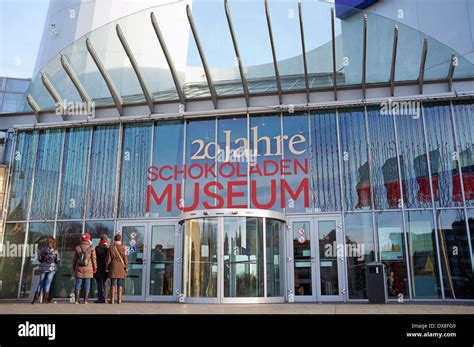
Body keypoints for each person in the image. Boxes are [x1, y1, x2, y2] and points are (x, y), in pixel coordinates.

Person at [32, 237, 60, 304]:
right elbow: (58, 261)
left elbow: (40, 259)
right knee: (48, 284)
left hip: (44, 267)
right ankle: (45, 300)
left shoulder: (43, 250)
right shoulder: (55, 251)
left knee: (40, 283)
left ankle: (35, 299)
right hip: (52, 268)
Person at [72, 232, 97, 304]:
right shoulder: (91, 247)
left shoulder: (77, 247)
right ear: (88, 239)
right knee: (87, 283)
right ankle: (85, 300)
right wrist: (95, 268)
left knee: (78, 283)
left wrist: (74, 268)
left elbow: (74, 259)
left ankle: (77, 300)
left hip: (79, 268)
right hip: (88, 268)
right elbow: (94, 258)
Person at [106, 233, 128, 304]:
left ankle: (112, 300)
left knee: (113, 283)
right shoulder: (123, 248)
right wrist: (126, 266)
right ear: (120, 240)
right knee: (120, 283)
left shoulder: (111, 248)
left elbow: (108, 259)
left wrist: (107, 267)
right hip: (121, 267)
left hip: (113, 266)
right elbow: (125, 258)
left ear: (114, 239)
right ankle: (119, 300)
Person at [94, 234, 109, 303]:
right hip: (106, 269)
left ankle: (100, 298)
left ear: (100, 240)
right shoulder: (108, 248)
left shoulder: (97, 248)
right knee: (105, 284)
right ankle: (105, 298)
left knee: (99, 284)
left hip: (98, 268)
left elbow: (94, 258)